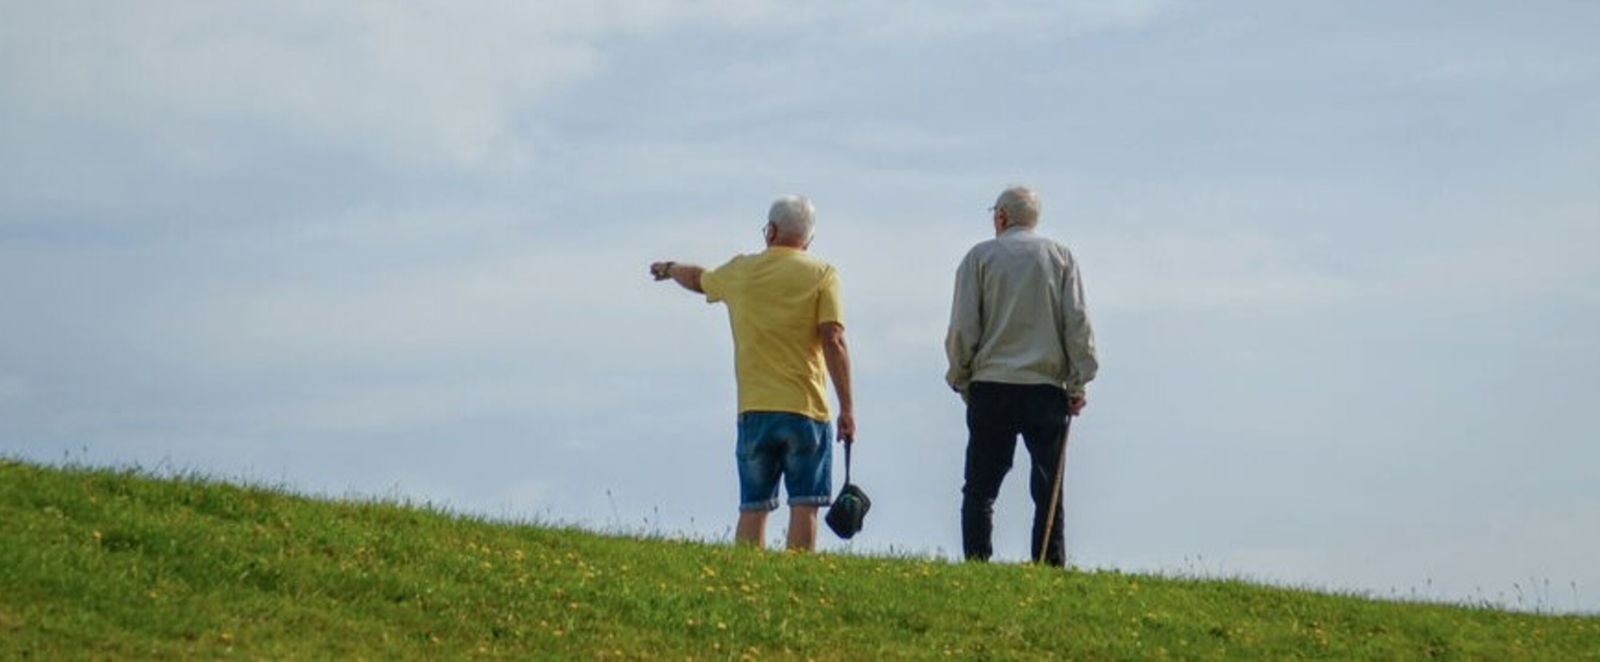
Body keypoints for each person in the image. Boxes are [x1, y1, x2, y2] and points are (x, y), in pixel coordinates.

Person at [649, 195, 855, 552]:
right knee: (804, 504)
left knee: (753, 506)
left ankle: (746, 576)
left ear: (771, 231)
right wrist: (847, 409)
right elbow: (833, 339)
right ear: (808, 238)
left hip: (755, 409)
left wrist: (669, 268)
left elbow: (699, 279)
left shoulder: (741, 271)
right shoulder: (823, 275)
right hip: (807, 408)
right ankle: (796, 581)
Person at [945, 185, 1098, 566]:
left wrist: (960, 374)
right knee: (1049, 487)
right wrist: (1080, 378)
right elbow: (1077, 323)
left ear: (1000, 216)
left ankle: (978, 562)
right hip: (1045, 387)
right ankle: (1048, 563)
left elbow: (963, 327)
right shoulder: (1060, 257)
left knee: (980, 486)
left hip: (991, 385)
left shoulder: (978, 257)